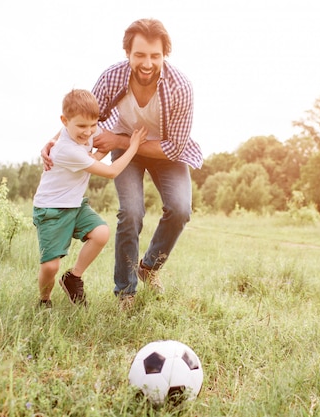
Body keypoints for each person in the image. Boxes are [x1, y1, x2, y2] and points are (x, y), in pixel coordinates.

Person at [42, 18, 202, 310]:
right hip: (126, 147)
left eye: (155, 56)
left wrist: (119, 142)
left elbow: (174, 147)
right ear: (128, 52)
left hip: (164, 152)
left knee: (180, 209)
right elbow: (83, 114)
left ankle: (150, 266)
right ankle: (126, 292)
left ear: (165, 54)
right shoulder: (112, 77)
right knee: (130, 212)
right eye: (139, 54)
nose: (147, 63)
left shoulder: (181, 88)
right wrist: (55, 141)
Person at [33, 89, 147, 308]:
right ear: (64, 121)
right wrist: (133, 146)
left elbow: (97, 150)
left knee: (101, 232)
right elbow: (112, 171)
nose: (88, 133)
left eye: (93, 125)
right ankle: (44, 301)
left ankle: (73, 278)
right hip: (51, 210)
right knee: (50, 267)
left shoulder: (82, 132)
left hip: (74, 205)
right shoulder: (66, 149)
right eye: (82, 127)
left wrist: (97, 152)